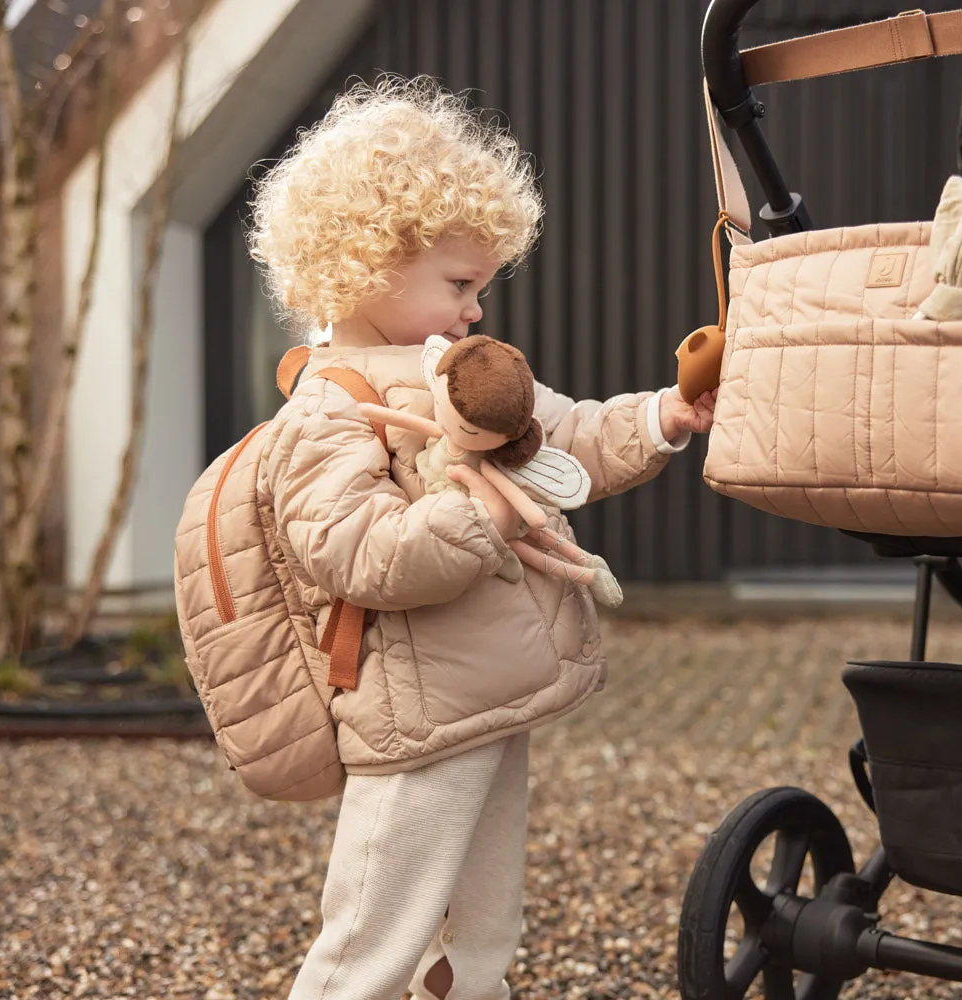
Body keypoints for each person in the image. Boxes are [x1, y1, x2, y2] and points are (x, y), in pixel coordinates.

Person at [248, 74, 716, 1000]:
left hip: (497, 693)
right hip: (417, 719)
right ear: (368, 264)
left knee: (483, 923)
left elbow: (568, 435)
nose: (475, 310)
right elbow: (362, 553)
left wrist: (663, 416)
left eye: (481, 287)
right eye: (460, 285)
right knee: (376, 931)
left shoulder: (461, 373)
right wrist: (486, 513)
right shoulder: (328, 411)